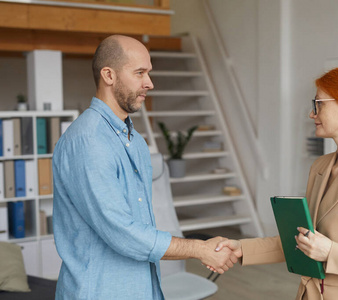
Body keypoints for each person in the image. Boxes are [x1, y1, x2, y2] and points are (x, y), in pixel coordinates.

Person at [52, 35, 237, 300]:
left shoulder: (135, 141)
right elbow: (121, 231)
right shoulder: (88, 141)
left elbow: (140, 224)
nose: (149, 83)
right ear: (109, 75)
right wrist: (199, 249)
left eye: (148, 73)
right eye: (139, 73)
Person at [215, 65, 338, 299]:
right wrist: (241, 248)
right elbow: (304, 240)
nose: (312, 114)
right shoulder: (320, 167)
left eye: (319, 104)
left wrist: (331, 252)